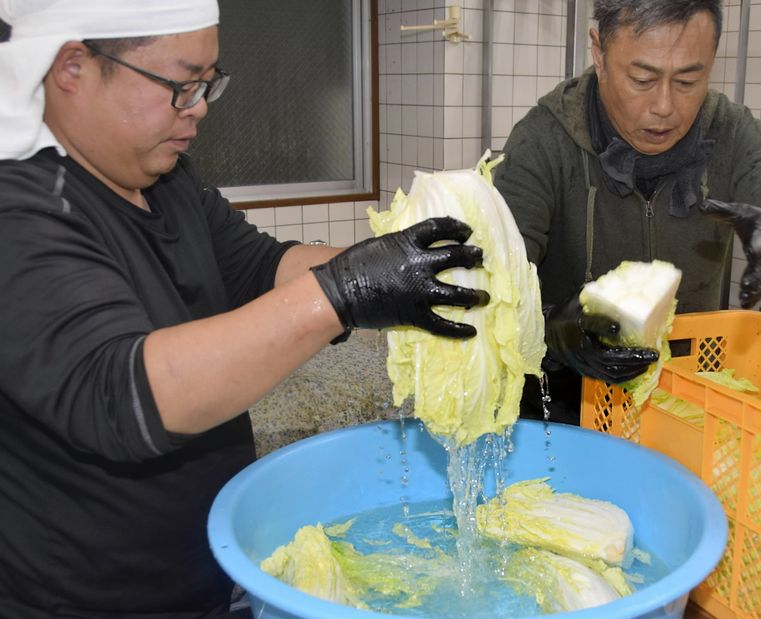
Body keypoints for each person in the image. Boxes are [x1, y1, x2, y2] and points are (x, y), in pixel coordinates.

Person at [0, 2, 489, 617]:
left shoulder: (165, 176)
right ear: (73, 67)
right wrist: (343, 293)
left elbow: (262, 267)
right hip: (88, 598)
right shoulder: (19, 206)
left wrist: (419, 270)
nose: (199, 107)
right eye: (181, 86)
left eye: (207, 84)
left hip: (203, 571)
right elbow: (121, 391)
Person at [494, 0, 761, 425]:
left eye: (688, 80)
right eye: (642, 79)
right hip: (562, 411)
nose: (664, 106)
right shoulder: (545, 139)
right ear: (598, 52)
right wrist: (555, 330)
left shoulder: (728, 132)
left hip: (687, 408)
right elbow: (494, 284)